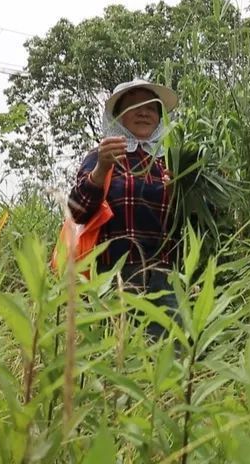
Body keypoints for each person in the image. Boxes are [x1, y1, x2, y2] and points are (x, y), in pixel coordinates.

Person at [67, 78, 180, 340]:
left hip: (164, 277)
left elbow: (191, 224)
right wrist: (101, 170)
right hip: (113, 276)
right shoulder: (102, 155)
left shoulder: (169, 160)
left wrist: (179, 193)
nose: (144, 112)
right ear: (117, 117)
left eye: (151, 107)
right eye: (134, 105)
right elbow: (77, 211)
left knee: (168, 358)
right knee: (116, 356)